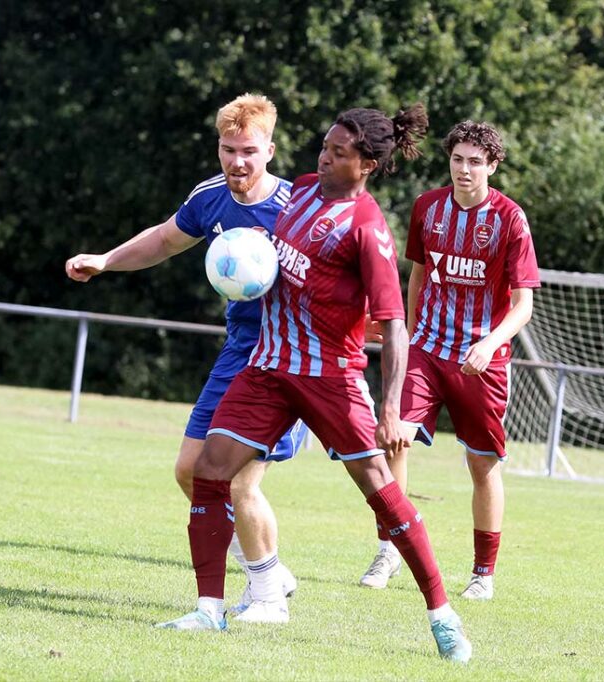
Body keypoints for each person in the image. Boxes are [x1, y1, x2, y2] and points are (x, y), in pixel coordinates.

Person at [157, 103, 473, 663]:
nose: (324, 158)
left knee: (381, 491)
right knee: (208, 472)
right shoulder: (301, 191)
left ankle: (442, 614)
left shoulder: (368, 229)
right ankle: (209, 610)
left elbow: (395, 325)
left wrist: (394, 407)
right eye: (325, 147)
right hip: (269, 369)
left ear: (368, 163)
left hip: (331, 378)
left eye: (339, 153)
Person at [64, 94, 303, 615]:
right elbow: (165, 241)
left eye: (248, 151)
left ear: (270, 150)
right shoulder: (210, 197)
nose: (237, 162)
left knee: (238, 478)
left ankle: (267, 598)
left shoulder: (297, 207)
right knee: (191, 471)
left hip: (289, 356)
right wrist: (105, 260)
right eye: (227, 150)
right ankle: (270, 571)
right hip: (239, 349)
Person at [358, 121, 540, 601]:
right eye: (458, 159)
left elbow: (524, 304)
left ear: (492, 166)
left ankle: (483, 574)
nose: (464, 169)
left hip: (483, 361)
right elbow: (418, 275)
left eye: (475, 162)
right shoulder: (428, 208)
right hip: (428, 350)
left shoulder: (510, 219)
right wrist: (409, 331)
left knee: (482, 465)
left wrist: (489, 342)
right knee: (392, 438)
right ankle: (390, 550)